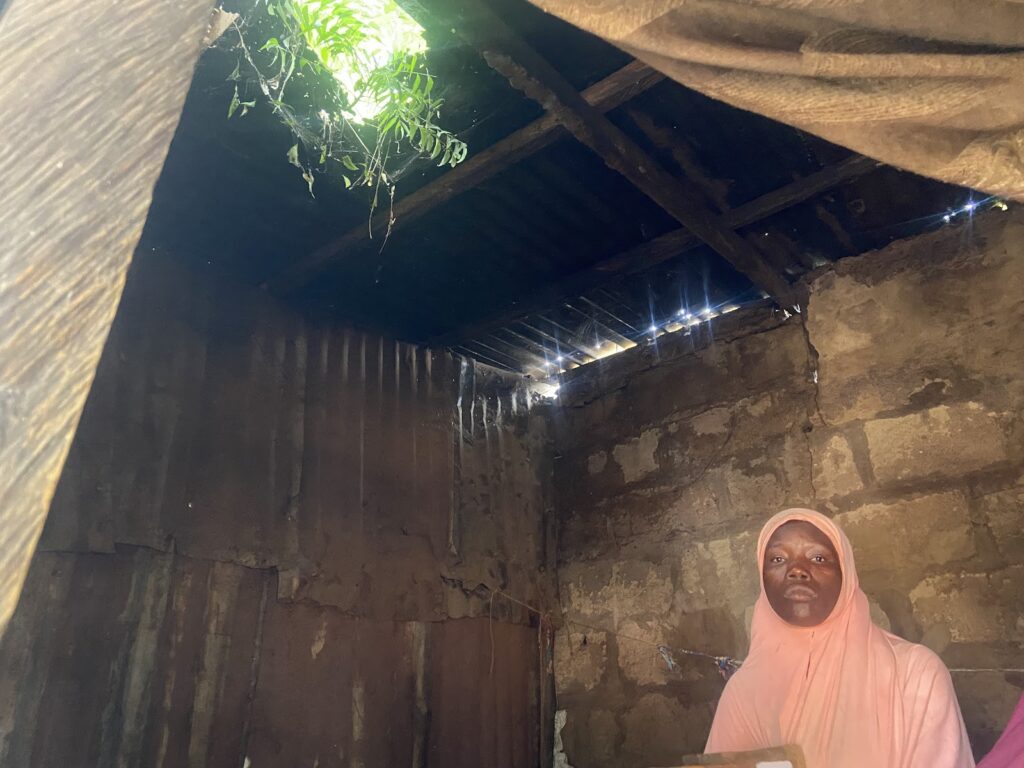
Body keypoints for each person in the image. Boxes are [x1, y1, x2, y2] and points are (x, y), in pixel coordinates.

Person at [705, 508, 975, 768]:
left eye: (818, 558)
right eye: (777, 559)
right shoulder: (744, 691)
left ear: (846, 575)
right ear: (762, 578)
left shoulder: (915, 673)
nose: (797, 570)